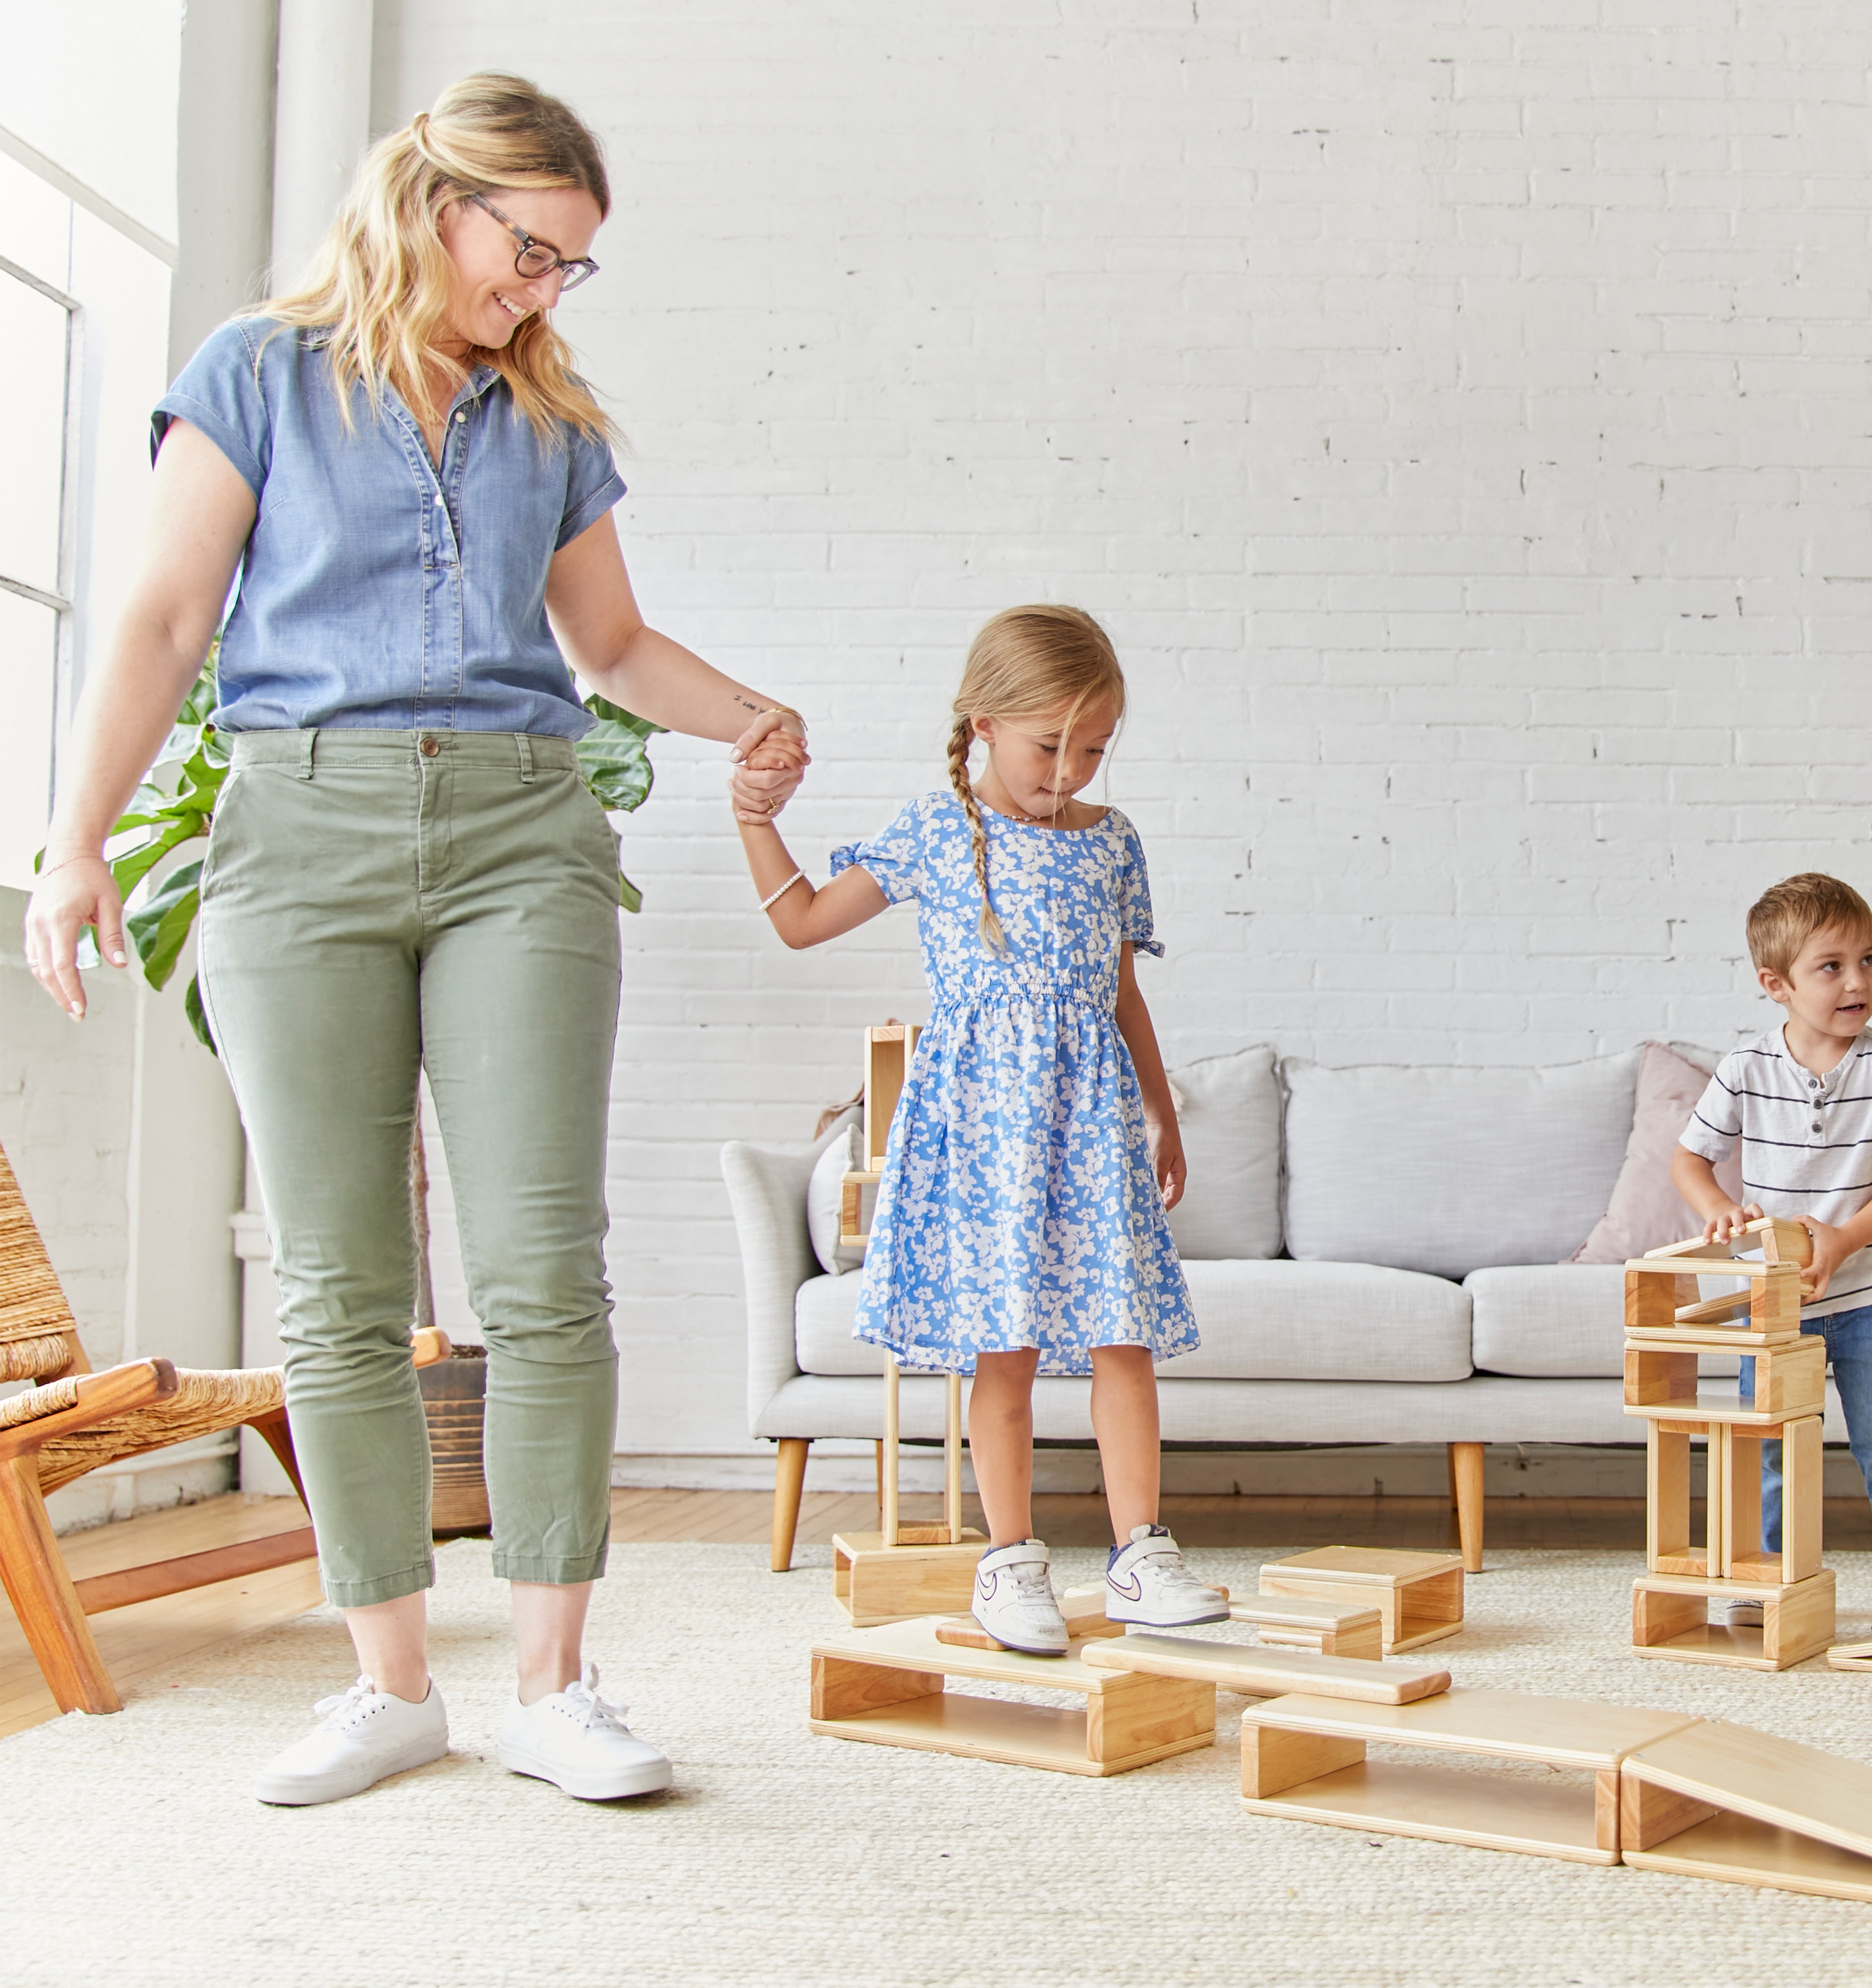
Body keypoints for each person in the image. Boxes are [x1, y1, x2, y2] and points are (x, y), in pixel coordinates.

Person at [22, 73, 809, 1805]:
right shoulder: (255, 376)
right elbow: (163, 619)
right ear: (434, 204)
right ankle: (391, 1686)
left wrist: (747, 708)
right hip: (298, 833)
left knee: (543, 1270)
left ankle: (552, 1685)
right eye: (530, 251)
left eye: (570, 267)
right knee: (341, 1283)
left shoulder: (552, 421)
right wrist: (75, 844)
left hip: (524, 835)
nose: (542, 289)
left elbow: (608, 645)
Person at [731, 604, 1225, 1653]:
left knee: (1120, 1336)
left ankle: (1141, 1552)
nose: (1070, 769)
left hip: (1091, 1121)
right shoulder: (935, 829)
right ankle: (1009, 1562)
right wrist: (751, 818)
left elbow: (1121, 987)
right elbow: (802, 920)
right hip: (981, 1124)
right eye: (1051, 744)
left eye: (1093, 747)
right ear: (983, 721)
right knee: (999, 1350)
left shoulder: (1112, 842)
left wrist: (1161, 1106)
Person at [1670, 871, 1872, 1635]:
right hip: (1779, 1297)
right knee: (1774, 1447)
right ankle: (1773, 1580)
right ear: (1778, 984)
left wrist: (1846, 1237)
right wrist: (1722, 1210)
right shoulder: (1745, 1069)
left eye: (1869, 959)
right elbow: (1690, 1162)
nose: (1858, 981)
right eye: (1832, 966)